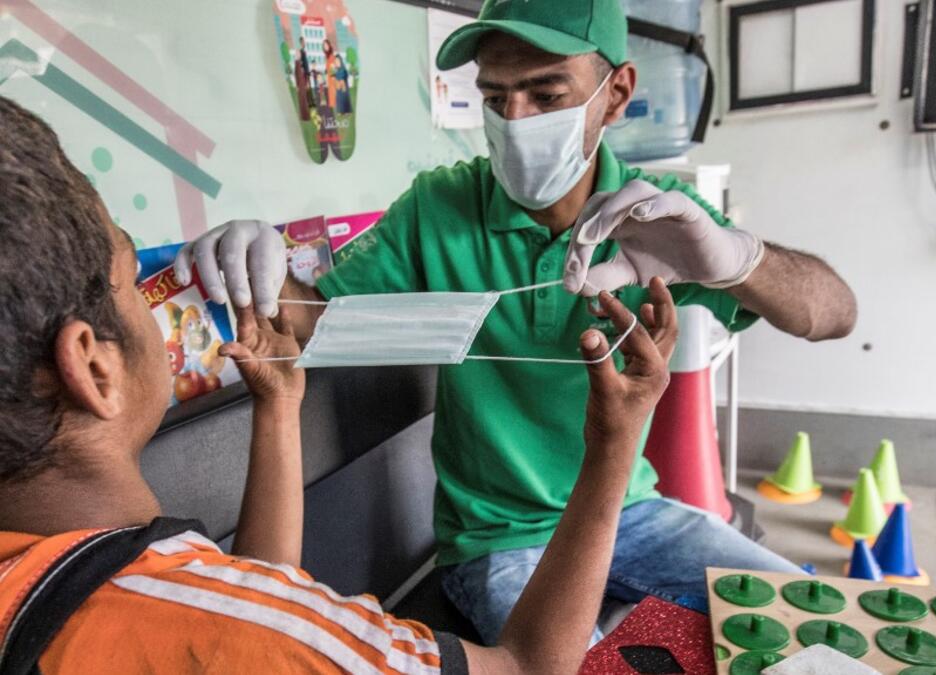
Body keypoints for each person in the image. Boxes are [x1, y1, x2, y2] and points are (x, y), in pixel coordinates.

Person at [177, 0, 858, 644]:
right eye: (495, 98)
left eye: (547, 95)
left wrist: (738, 258)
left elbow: (832, 314)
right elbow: (310, 321)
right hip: (498, 539)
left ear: (616, 93)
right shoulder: (439, 208)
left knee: (819, 619)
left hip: (632, 511)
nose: (516, 119)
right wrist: (259, 262)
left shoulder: (659, 217)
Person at [0, 94, 678, 674]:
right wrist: (614, 443)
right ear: (94, 368)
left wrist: (279, 407)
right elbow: (528, 665)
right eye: (131, 280)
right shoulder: (297, 642)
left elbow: (248, 603)